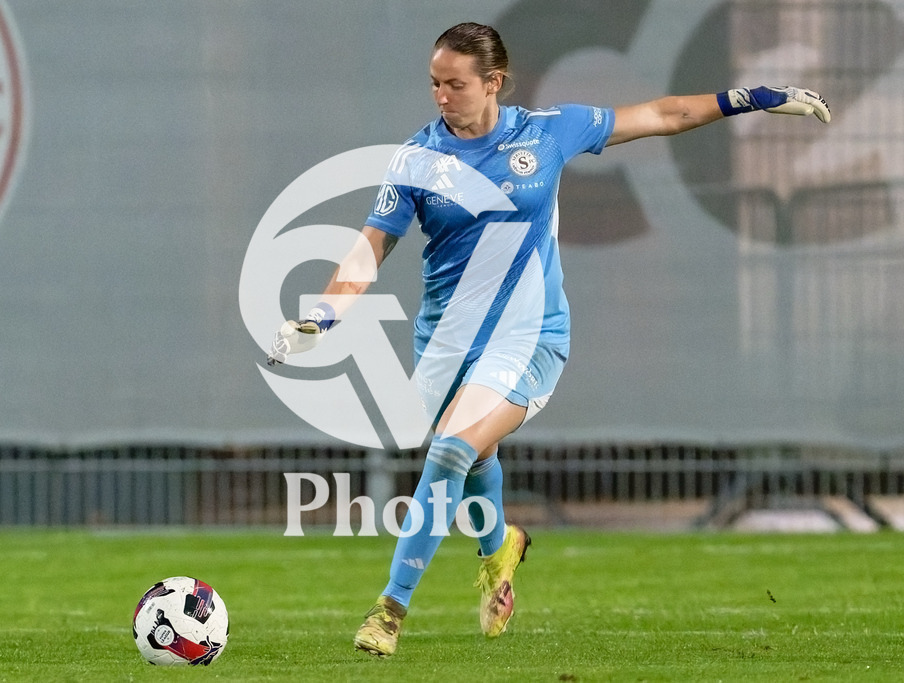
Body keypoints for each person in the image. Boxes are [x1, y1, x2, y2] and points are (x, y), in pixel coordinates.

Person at [267, 22, 830, 657]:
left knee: (450, 451)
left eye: (455, 84)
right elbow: (370, 248)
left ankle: (389, 609)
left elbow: (662, 114)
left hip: (530, 335)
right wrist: (325, 314)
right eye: (434, 83)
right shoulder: (417, 161)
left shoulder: (548, 131)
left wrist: (749, 98)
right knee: (473, 456)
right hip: (446, 343)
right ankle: (499, 547)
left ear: (493, 83)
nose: (442, 96)